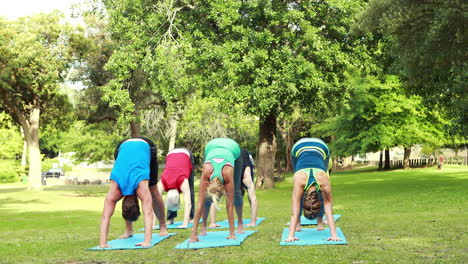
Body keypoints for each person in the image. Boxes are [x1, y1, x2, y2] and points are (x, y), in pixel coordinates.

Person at [99, 137, 168, 248]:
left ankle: (163, 226)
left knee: (153, 190)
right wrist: (147, 241)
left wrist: (103, 244)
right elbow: (148, 213)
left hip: (141, 146)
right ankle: (130, 230)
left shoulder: (119, 192)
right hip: (123, 146)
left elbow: (105, 216)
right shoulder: (116, 190)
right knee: (152, 193)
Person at [285, 137, 341, 242]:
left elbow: (294, 212)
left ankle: (298, 225)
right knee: (299, 173)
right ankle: (304, 224)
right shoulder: (323, 179)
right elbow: (328, 208)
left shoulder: (318, 180)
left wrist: (290, 236)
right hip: (313, 146)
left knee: (297, 173)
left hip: (305, 146)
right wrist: (334, 235)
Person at [190, 138, 243, 242]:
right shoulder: (206, 172)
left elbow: (230, 205)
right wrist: (193, 234)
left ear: (223, 188)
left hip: (233, 147)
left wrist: (232, 234)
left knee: (236, 191)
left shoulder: (227, 174)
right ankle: (203, 226)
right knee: (204, 200)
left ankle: (240, 223)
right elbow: (199, 205)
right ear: (207, 183)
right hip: (211, 147)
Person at [208, 148, 258, 227]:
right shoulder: (228, 177)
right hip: (232, 156)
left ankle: (255, 217)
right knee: (217, 192)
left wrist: (253, 222)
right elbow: (215, 195)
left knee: (250, 191)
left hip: (244, 156)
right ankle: (213, 222)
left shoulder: (246, 177)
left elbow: (253, 198)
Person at [156, 148, 195, 228]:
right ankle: (170, 219)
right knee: (172, 200)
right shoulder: (162, 182)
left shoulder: (183, 180)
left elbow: (188, 203)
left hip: (186, 154)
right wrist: (153, 224)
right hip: (170, 154)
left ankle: (191, 217)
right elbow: (154, 202)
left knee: (190, 190)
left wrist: (185, 224)